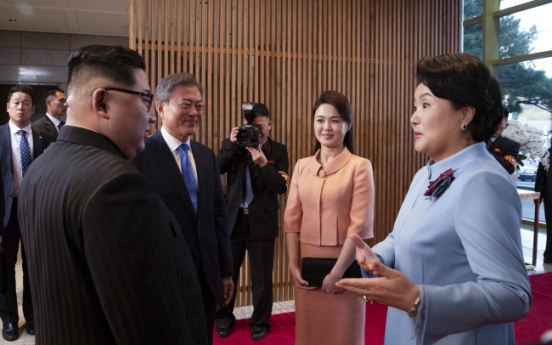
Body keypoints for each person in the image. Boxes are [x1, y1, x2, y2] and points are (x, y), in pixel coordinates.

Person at [17, 45, 208, 345]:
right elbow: (149, 327)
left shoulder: (39, 170)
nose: (151, 115)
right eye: (144, 99)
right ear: (102, 102)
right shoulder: (117, 186)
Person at [336, 53, 532, 345]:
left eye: (425, 105)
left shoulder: (482, 181)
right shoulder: (425, 175)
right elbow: (401, 237)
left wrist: (420, 299)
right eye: (415, 107)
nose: (413, 117)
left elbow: (513, 294)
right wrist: (377, 257)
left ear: (465, 114)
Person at [131, 72, 233, 344]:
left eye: (198, 105)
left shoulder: (206, 156)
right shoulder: (140, 156)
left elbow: (218, 219)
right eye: (185, 105)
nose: (194, 112)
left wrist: (225, 271)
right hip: (164, 279)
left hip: (206, 276)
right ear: (161, 107)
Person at [283, 90, 375, 345]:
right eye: (320, 119)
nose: (326, 127)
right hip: (307, 268)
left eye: (335, 120)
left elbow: (359, 227)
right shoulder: (302, 166)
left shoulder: (359, 166)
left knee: (343, 334)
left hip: (344, 268)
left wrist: (336, 273)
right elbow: (291, 221)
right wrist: (293, 265)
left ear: (348, 125)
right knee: (310, 335)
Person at [215, 103, 289, 341]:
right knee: (227, 274)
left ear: (270, 124)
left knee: (262, 278)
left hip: (262, 222)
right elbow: (217, 168)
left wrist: (264, 163)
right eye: (252, 127)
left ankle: (260, 322)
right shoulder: (237, 146)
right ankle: (223, 318)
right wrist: (231, 144)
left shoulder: (278, 150)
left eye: (260, 127)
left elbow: (281, 187)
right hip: (234, 220)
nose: (257, 132)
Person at [0, 84, 55, 341]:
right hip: (5, 214)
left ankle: (33, 317)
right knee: (4, 268)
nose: (20, 107)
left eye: (25, 103)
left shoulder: (46, 139)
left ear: (34, 109)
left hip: (35, 212)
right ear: (7, 106)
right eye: (15, 102)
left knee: (34, 266)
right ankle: (9, 320)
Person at [487, 108, 520, 175]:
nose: (494, 126)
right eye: (492, 122)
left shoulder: (511, 145)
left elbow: (509, 168)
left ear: (506, 125)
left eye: (498, 124)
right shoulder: (475, 140)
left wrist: (484, 153)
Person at [535, 147, 552, 264]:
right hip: (550, 196)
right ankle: (549, 254)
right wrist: (538, 193)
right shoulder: (548, 152)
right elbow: (541, 175)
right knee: (551, 227)